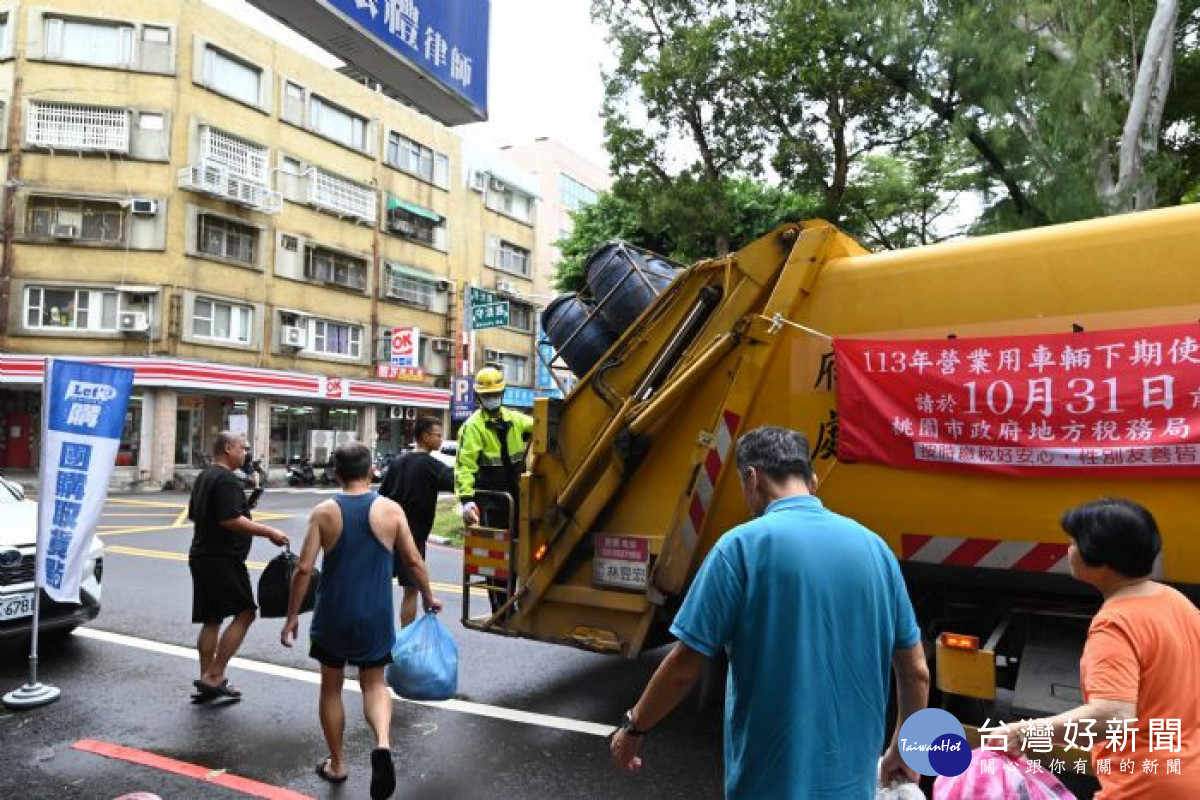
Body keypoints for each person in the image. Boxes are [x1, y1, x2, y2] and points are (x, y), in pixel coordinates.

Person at [610, 426, 930, 799]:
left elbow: (684, 666)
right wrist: (903, 750)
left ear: (752, 477)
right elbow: (916, 671)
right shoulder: (875, 549)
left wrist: (633, 728)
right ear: (811, 481)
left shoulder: (740, 548)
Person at [1006, 498, 1200, 799]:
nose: (1067, 550)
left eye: (1073, 543)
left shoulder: (1115, 623)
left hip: (1143, 788)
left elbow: (1113, 716)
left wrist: (1022, 733)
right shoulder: (1177, 601)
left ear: (1102, 561)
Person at [281, 442, 443, 800]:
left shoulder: (324, 512)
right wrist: (429, 597)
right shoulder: (390, 510)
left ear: (336, 473)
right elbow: (414, 561)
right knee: (374, 685)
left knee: (331, 687)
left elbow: (304, 569)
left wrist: (291, 617)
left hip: (333, 615)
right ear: (372, 470)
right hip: (375, 615)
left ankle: (337, 764)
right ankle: (382, 743)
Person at [188, 431, 289, 700]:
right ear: (227, 448)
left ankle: (207, 678)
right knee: (246, 612)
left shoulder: (204, 477)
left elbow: (195, 515)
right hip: (222, 558)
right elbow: (230, 519)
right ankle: (215, 675)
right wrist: (269, 532)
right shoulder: (226, 480)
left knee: (212, 618)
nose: (245, 453)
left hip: (202, 555)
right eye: (242, 448)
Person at [454, 366, 534, 611]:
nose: (491, 399)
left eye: (495, 394)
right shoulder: (473, 426)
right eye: (487, 395)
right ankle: (501, 607)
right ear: (479, 397)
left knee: (522, 550)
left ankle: (516, 601)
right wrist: (466, 500)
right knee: (496, 555)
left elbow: (541, 427)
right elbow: (464, 467)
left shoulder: (516, 420)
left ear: (503, 393)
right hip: (490, 500)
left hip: (517, 497)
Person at [380, 416, 454, 627]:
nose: (441, 440)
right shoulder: (433, 465)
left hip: (386, 531)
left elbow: (382, 495)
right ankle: (404, 642)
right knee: (411, 591)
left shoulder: (397, 461)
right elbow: (458, 484)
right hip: (413, 535)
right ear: (425, 436)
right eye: (438, 435)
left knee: (377, 587)